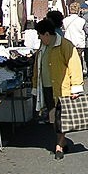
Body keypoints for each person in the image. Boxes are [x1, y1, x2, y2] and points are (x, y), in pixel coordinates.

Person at [32, 18, 84, 160]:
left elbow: (75, 66)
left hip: (62, 89)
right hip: (47, 88)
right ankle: (62, 141)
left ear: (47, 34)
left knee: (60, 119)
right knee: (54, 119)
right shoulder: (42, 48)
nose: (40, 38)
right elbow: (37, 67)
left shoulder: (65, 45)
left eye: (40, 35)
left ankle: (59, 146)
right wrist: (35, 85)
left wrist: (76, 87)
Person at [62, 2, 87, 74]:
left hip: (68, 41)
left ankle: (70, 72)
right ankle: (79, 72)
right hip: (79, 42)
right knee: (78, 59)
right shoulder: (82, 20)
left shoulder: (65, 20)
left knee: (69, 59)